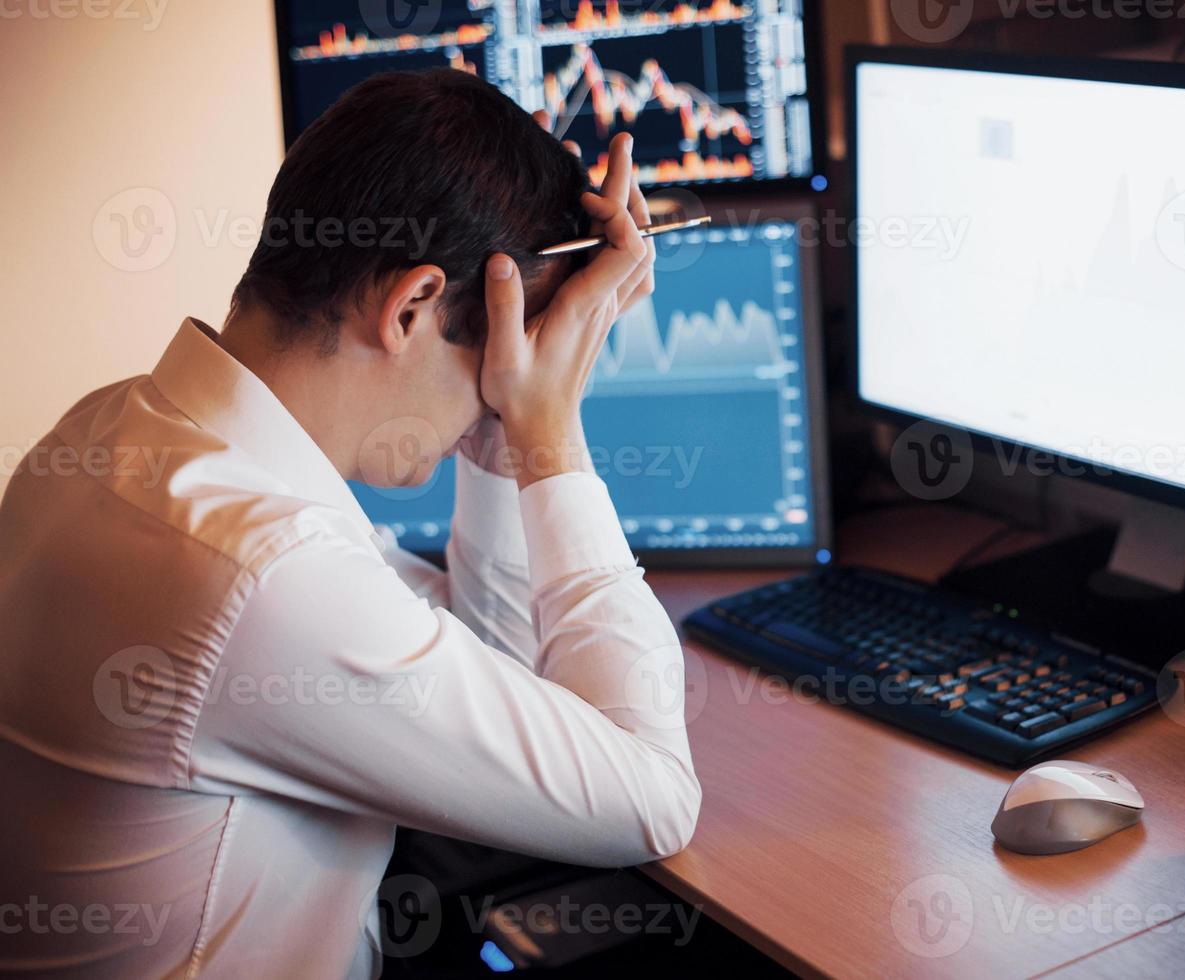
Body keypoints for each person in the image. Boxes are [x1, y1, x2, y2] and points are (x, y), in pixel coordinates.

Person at [0, 69, 700, 977]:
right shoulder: (263, 574)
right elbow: (649, 797)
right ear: (411, 307)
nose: (503, 390)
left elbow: (497, 672)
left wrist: (501, 440)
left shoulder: (114, 433)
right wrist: (549, 431)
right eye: (500, 350)